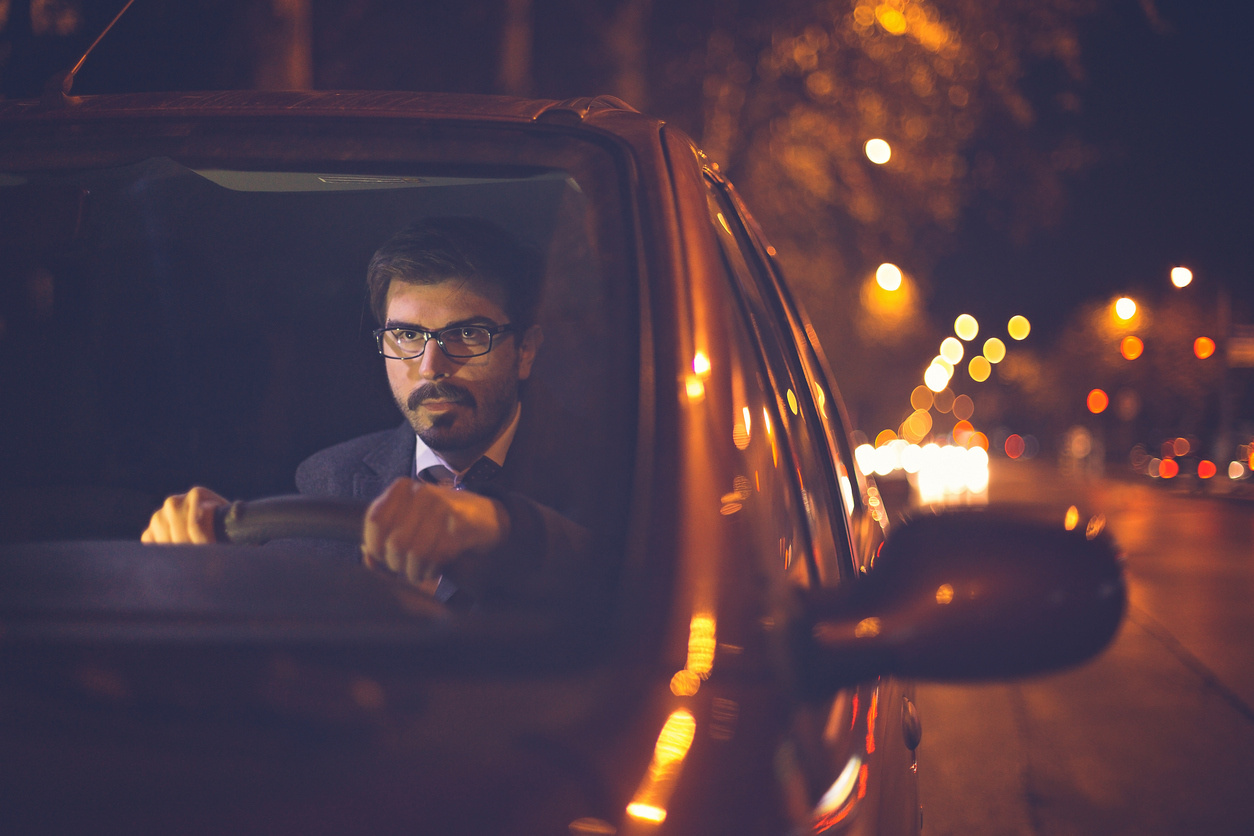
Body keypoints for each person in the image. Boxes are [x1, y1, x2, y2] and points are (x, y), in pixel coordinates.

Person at [142, 217, 589, 608]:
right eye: (408, 336)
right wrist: (217, 556)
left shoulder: (616, 469)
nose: (431, 367)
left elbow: (609, 575)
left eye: (468, 334)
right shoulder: (329, 476)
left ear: (526, 351)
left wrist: (496, 524)